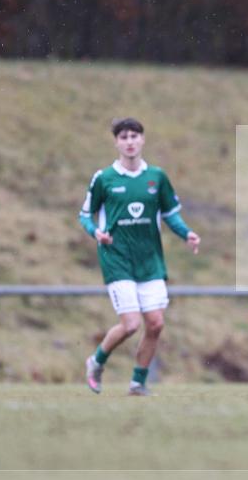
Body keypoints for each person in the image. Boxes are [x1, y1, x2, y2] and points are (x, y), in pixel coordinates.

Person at [79, 118, 200, 396]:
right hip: (117, 259)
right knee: (131, 324)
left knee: (156, 323)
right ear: (116, 142)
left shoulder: (156, 177)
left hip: (150, 261)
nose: (130, 141)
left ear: (143, 140)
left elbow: (171, 214)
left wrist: (187, 234)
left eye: (134, 136)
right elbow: (85, 214)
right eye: (124, 137)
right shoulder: (104, 178)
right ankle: (96, 361)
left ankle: (137, 383)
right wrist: (95, 232)